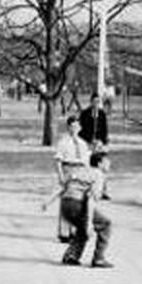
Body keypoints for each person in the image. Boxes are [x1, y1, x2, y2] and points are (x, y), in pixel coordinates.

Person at [58, 151, 112, 268]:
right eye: (106, 162)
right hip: (76, 204)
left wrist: (47, 203)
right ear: (99, 164)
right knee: (105, 224)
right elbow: (90, 200)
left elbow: (64, 186)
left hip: (65, 204)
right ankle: (99, 258)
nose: (109, 164)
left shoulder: (83, 170)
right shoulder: (98, 175)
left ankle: (71, 256)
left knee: (82, 225)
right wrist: (89, 224)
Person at [54, 114, 91, 242]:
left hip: (80, 170)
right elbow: (58, 160)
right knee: (67, 201)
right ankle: (64, 233)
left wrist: (87, 177)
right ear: (68, 128)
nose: (74, 129)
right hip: (68, 169)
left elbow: (86, 162)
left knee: (78, 203)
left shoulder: (83, 144)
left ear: (80, 128)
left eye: (76, 126)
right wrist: (61, 176)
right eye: (71, 126)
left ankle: (75, 231)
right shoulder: (63, 142)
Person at [78, 92, 111, 199]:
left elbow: (105, 131)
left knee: (103, 166)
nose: (96, 104)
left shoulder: (102, 114)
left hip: (99, 144)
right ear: (91, 102)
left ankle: (103, 190)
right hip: (88, 144)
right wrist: (88, 141)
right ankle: (86, 190)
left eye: (98, 102)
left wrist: (102, 142)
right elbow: (80, 130)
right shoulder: (85, 114)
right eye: (94, 101)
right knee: (87, 167)